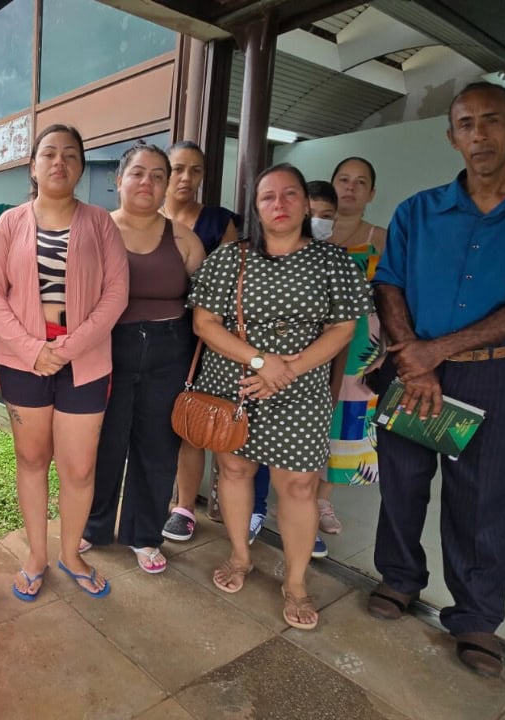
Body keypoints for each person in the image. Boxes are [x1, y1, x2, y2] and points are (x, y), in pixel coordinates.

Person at [369, 81, 505, 677]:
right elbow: (389, 283)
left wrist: (435, 352)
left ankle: (476, 616)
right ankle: (400, 577)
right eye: (466, 124)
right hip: (412, 368)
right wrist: (416, 357)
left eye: (492, 121)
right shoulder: (418, 211)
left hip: (491, 377)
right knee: (402, 481)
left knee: (484, 498)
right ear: (451, 136)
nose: (479, 135)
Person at [189, 163, 371, 630]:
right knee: (234, 470)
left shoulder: (332, 262)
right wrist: (259, 362)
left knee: (299, 487)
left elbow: (342, 329)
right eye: (268, 196)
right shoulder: (230, 259)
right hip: (236, 383)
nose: (280, 204)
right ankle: (239, 556)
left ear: (306, 204)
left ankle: (295, 582)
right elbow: (204, 324)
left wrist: (286, 369)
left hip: (301, 389)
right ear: (256, 207)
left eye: (290, 194)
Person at [0, 124, 128, 601]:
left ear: (81, 167)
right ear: (33, 166)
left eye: (69, 155)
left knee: (79, 468)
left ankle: (71, 553)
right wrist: (33, 349)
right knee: (31, 459)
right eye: (48, 154)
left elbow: (116, 295)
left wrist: (64, 349)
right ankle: (36, 556)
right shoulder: (9, 224)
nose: (58, 162)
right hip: (22, 362)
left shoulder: (100, 223)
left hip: (85, 363)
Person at [83, 142, 204, 573]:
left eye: (157, 176)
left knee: (157, 447)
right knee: (105, 443)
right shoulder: (95, 231)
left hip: (170, 351)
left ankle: (145, 534)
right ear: (119, 180)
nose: (147, 183)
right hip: (107, 348)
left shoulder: (184, 239)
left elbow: (205, 308)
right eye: (137, 173)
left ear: (166, 185)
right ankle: (93, 526)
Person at [160, 140, 265, 542]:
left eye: (196, 170)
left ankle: (185, 506)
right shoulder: (145, 216)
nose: (186, 178)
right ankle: (153, 495)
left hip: (204, 338)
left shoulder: (220, 222)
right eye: (178, 168)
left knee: (195, 419)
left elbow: (230, 285)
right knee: (154, 422)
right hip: (152, 334)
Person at [320, 158, 389, 536]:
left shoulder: (382, 238)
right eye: (344, 179)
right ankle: (291, 492)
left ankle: (322, 499)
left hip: (363, 343)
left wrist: (388, 348)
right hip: (309, 341)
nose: (350, 187)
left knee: (346, 420)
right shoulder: (311, 231)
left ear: (372, 193)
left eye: (360, 182)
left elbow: (396, 297)